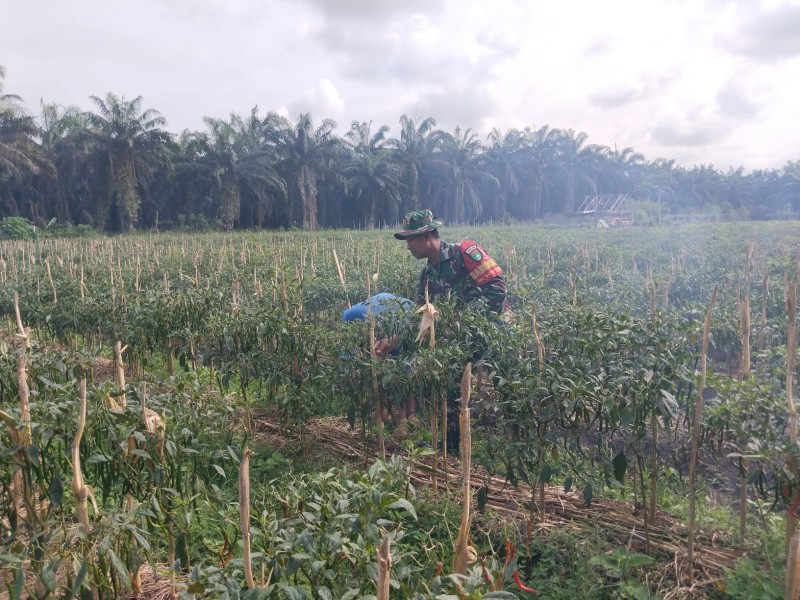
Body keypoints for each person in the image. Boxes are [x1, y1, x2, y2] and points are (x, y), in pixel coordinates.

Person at [393, 209, 511, 450]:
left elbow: (497, 287)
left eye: (411, 240)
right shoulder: (427, 275)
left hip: (496, 330)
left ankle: (515, 438)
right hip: (460, 340)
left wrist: (476, 325)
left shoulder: (464, 252)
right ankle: (453, 444)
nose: (408, 247)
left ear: (427, 235)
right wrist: (396, 339)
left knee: (507, 383)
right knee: (450, 385)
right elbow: (422, 315)